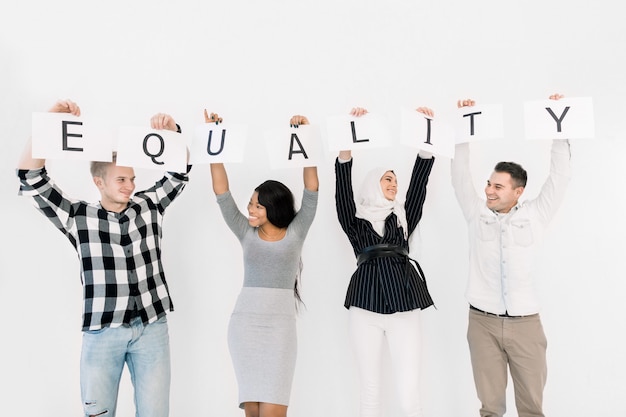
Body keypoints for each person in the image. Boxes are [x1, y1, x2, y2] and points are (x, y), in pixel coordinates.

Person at [16, 99, 190, 417]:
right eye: (121, 180)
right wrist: (47, 122)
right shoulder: (78, 216)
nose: (130, 186)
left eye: (132, 179)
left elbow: (179, 173)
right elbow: (30, 176)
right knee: (98, 414)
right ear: (99, 182)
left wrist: (173, 132)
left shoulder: (149, 205)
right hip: (103, 330)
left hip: (152, 326)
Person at [451, 94, 571, 417]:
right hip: (482, 323)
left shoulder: (536, 215)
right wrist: (463, 130)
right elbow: (459, 175)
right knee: (490, 408)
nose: (489, 190)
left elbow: (559, 178)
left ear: (518, 192)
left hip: (526, 325)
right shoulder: (476, 213)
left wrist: (559, 130)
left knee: (531, 407)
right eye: (489, 184)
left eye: (498, 187)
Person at [207, 110, 319, 417]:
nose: (250, 208)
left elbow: (312, 191)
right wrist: (214, 142)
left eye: (257, 204)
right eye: (251, 203)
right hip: (245, 326)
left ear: (273, 207)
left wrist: (306, 138)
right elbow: (222, 193)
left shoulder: (296, 231)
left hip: (280, 329)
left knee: (273, 410)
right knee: (254, 412)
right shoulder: (246, 231)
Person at [335, 106, 436, 417]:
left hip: (405, 300)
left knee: (409, 392)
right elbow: (341, 192)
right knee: (370, 389)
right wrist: (345, 147)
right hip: (364, 304)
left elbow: (419, 187)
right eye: (387, 179)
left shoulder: (403, 218)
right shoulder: (354, 220)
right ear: (371, 184)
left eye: (395, 181)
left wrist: (425, 139)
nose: (393, 185)